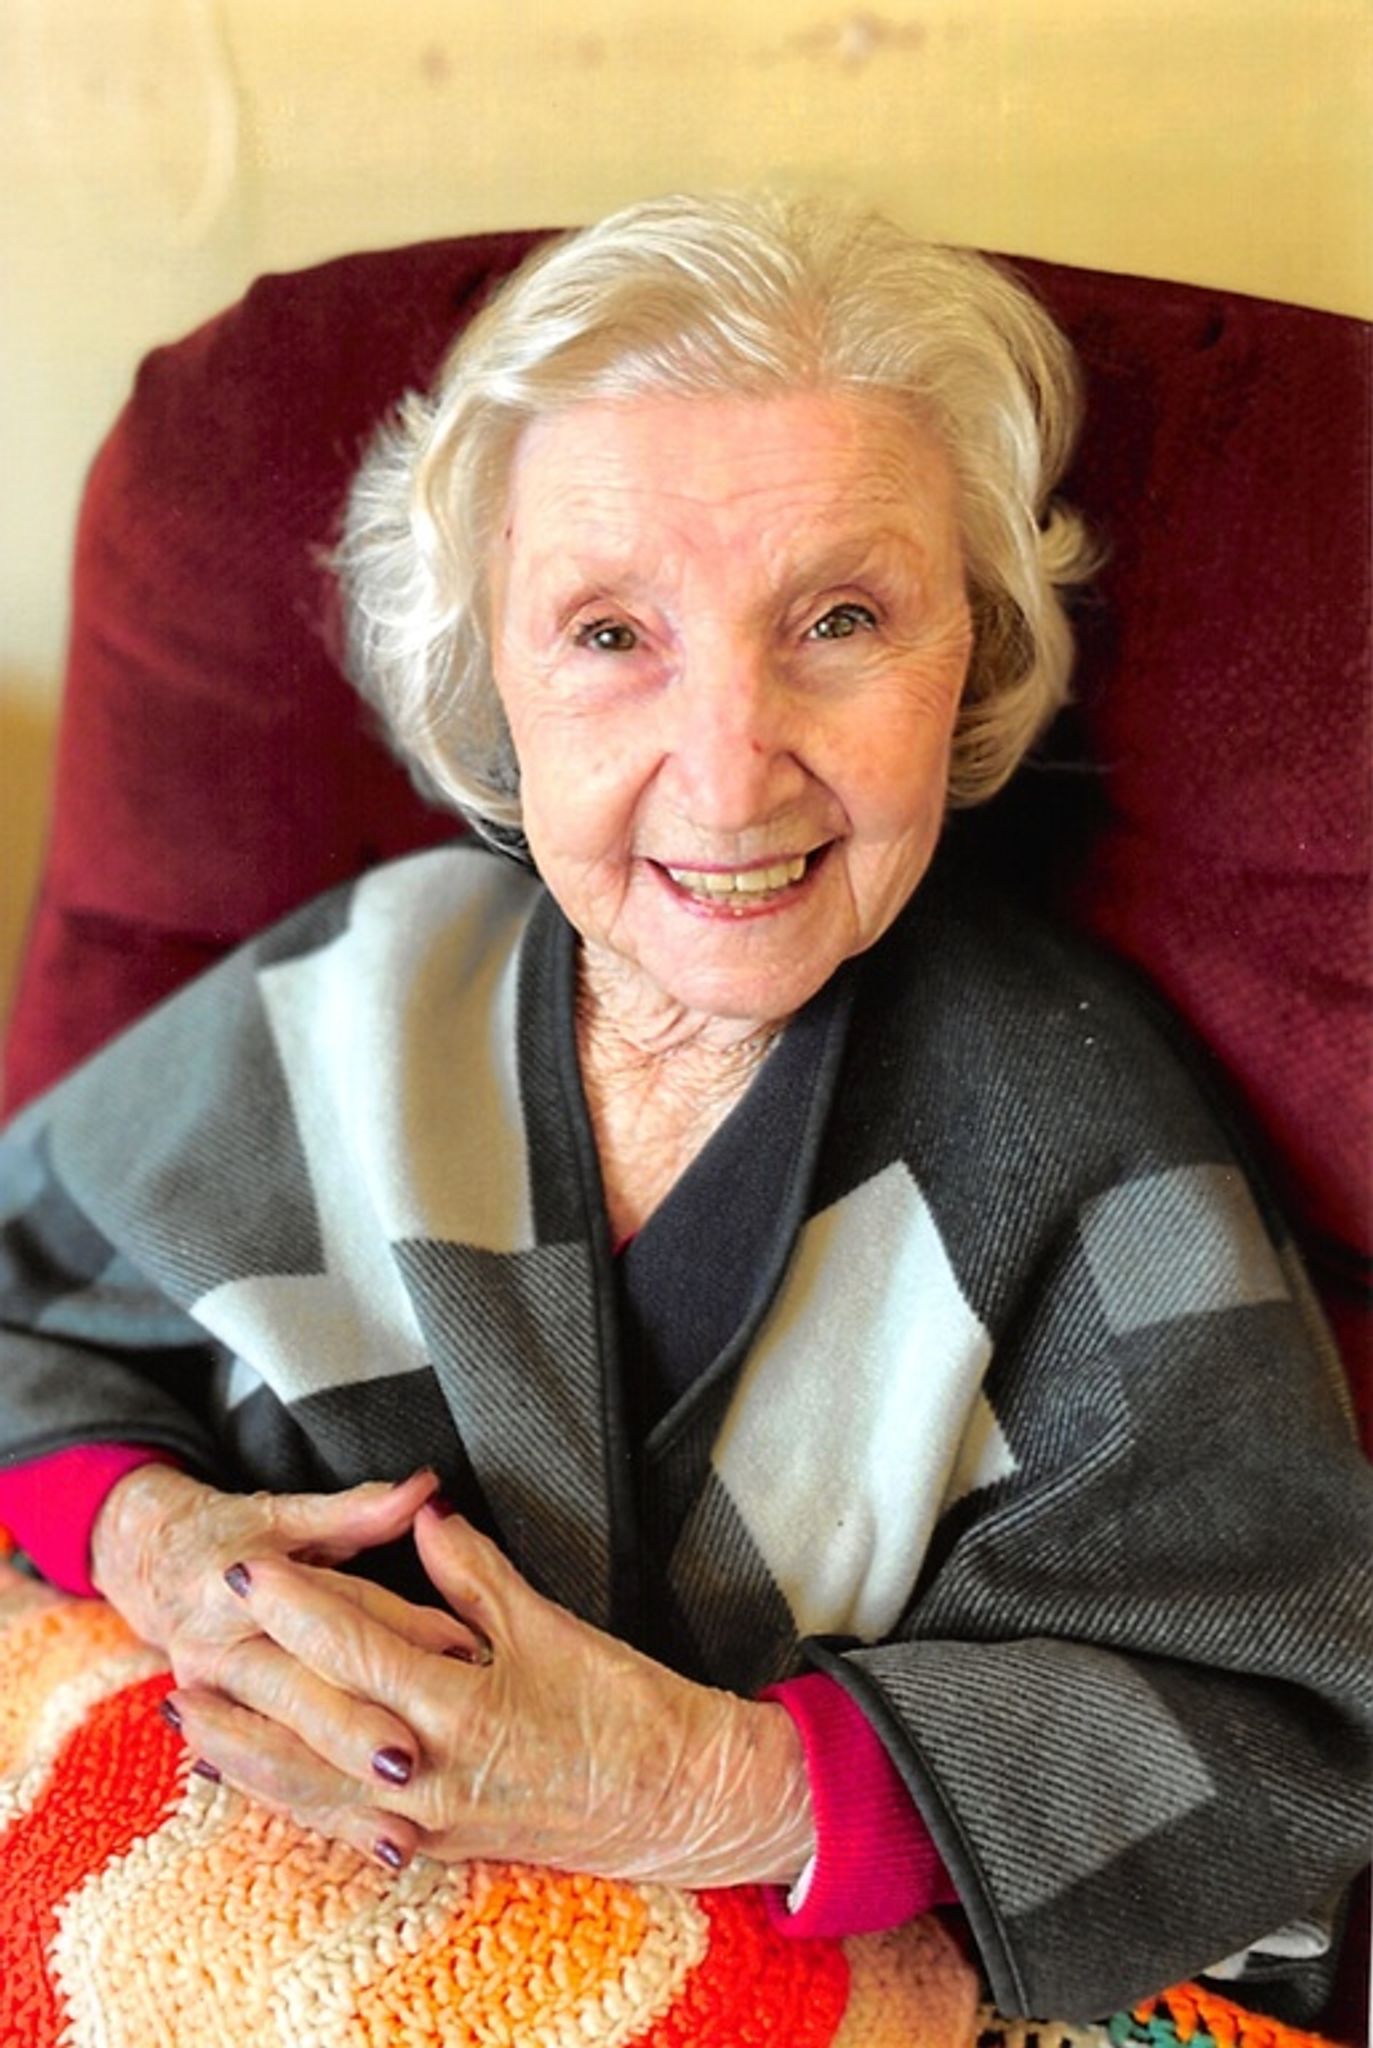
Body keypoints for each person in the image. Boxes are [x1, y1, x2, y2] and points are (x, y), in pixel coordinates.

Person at [0, 190, 1368, 2028]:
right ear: (489, 671)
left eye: (840, 618)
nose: (728, 776)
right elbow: (19, 1305)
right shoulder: (357, 986)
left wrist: (708, 1784)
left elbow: (1287, 1736)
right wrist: (156, 1545)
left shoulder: (1070, 1121)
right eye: (608, 633)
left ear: (970, 654)